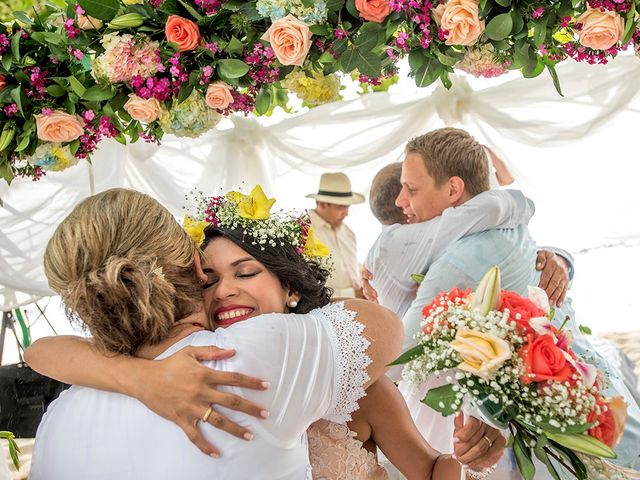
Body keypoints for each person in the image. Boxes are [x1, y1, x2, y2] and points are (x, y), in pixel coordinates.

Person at [27, 187, 507, 479]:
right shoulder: (252, 357)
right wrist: (144, 379)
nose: (225, 292)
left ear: (290, 286)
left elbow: (39, 350)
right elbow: (381, 326)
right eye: (211, 278)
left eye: (246, 272)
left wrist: (472, 457)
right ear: (191, 271)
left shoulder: (59, 419)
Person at [392, 128, 640, 475]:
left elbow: (397, 360)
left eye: (411, 189)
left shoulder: (461, 259)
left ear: (453, 189)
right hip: (599, 397)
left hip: (574, 421)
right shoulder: (508, 227)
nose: (401, 200)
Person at [306, 172, 364, 298]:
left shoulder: (348, 232)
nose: (347, 213)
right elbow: (307, 286)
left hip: (359, 307)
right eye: (341, 207)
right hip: (323, 312)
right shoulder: (305, 233)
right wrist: (353, 294)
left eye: (347, 207)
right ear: (322, 204)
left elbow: (353, 266)